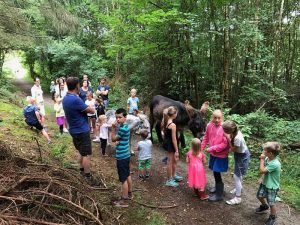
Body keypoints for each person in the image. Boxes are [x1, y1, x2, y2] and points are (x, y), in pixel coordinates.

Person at [62, 77, 100, 187]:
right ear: (77, 86)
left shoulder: (65, 98)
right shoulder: (76, 99)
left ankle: (81, 170)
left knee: (82, 151)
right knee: (87, 154)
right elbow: (91, 110)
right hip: (81, 130)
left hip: (73, 129)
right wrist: (91, 107)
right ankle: (87, 177)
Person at [201, 109, 229, 202]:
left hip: (221, 155)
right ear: (212, 117)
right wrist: (201, 149)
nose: (216, 120)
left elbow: (225, 144)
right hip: (213, 153)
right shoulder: (209, 125)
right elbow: (206, 137)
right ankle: (217, 187)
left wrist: (211, 148)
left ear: (222, 118)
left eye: (219, 118)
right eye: (215, 118)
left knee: (217, 172)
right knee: (214, 171)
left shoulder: (225, 128)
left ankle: (219, 194)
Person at [222, 120, 250, 205]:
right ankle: (239, 188)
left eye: (225, 131)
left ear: (231, 130)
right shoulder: (235, 132)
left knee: (236, 176)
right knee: (238, 174)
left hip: (242, 156)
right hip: (239, 155)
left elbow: (233, 149)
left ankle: (238, 198)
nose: (224, 132)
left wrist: (227, 138)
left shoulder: (237, 138)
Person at [255, 142, 281, 225]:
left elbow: (262, 170)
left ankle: (273, 217)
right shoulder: (268, 158)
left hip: (272, 186)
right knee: (259, 195)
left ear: (270, 153)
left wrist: (261, 159)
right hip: (265, 182)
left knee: (271, 203)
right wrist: (261, 178)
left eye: (264, 150)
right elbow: (265, 172)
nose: (263, 152)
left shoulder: (275, 163)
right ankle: (264, 206)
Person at [111, 108, 132, 207]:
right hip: (126, 155)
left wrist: (113, 128)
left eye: (120, 117)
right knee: (127, 174)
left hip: (122, 157)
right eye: (116, 117)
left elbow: (113, 139)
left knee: (123, 178)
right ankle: (129, 193)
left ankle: (124, 200)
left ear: (125, 117)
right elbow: (119, 139)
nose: (118, 119)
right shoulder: (125, 127)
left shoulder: (122, 129)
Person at [162, 106, 182, 187]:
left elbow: (163, 133)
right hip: (171, 145)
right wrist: (177, 150)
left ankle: (173, 176)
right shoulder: (172, 125)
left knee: (173, 161)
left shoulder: (165, 121)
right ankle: (169, 180)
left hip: (168, 143)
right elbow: (174, 139)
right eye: (176, 113)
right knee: (170, 162)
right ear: (174, 114)